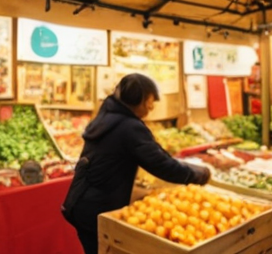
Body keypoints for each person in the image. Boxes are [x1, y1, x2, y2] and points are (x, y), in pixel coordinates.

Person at [62, 75, 211, 254]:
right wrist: (197, 175)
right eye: (150, 100)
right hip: (98, 208)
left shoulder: (108, 114)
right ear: (138, 99)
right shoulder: (129, 127)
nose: (151, 106)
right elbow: (161, 164)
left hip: (83, 201)